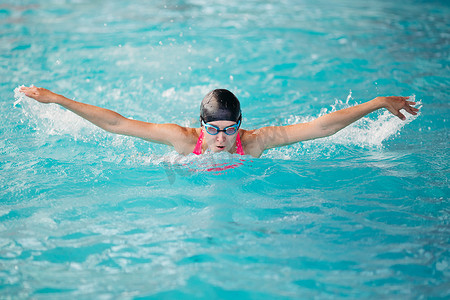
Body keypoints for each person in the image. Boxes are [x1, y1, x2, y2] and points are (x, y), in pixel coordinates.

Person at [19, 86, 419, 158]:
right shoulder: (182, 140)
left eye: (230, 130)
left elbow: (321, 127)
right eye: (213, 130)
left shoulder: (258, 141)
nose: (222, 139)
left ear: (240, 124)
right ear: (201, 125)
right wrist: (57, 100)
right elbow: (118, 124)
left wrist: (377, 102)